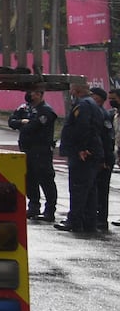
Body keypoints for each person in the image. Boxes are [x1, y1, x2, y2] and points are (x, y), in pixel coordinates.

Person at [56, 79, 105, 234]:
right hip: (92, 152)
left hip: (83, 154)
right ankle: (89, 222)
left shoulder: (83, 105)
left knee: (78, 188)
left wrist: (82, 148)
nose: (70, 91)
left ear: (77, 89)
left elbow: (82, 127)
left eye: (71, 88)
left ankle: (75, 221)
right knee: (89, 189)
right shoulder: (91, 104)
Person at [8, 81, 58, 221]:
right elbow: (11, 121)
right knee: (30, 179)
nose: (30, 95)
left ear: (40, 94)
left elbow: (33, 127)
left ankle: (50, 210)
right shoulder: (24, 108)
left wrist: (24, 123)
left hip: (41, 150)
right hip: (26, 149)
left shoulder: (46, 110)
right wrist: (21, 122)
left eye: (33, 93)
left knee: (46, 179)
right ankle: (34, 206)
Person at [90, 86, 115, 231]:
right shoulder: (96, 112)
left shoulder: (103, 115)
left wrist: (104, 160)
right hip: (98, 157)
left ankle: (101, 219)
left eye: (93, 96)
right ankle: (96, 216)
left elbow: (107, 139)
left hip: (104, 158)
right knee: (95, 189)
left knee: (102, 189)